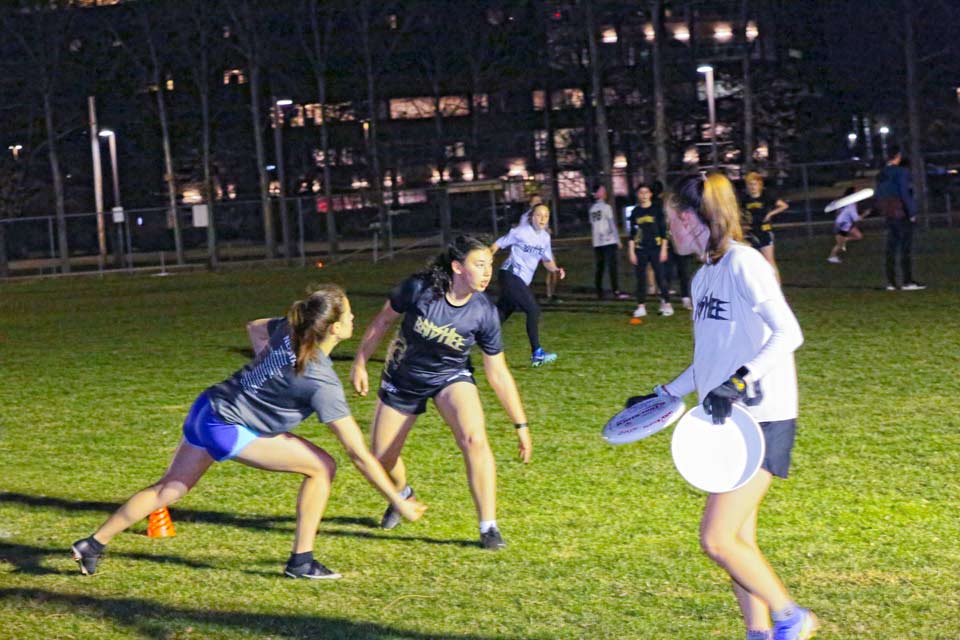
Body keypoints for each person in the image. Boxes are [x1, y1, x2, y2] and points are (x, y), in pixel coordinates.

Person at [71, 285, 427, 579]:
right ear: (334, 328)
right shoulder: (322, 381)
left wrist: (268, 374)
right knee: (323, 466)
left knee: (170, 488)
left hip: (206, 408)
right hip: (227, 427)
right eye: (348, 314)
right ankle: (301, 562)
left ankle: (92, 544)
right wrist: (398, 502)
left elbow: (255, 327)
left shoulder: (289, 331)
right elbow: (358, 454)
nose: (353, 318)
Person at [628, 173, 819, 640]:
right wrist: (664, 393)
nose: (669, 230)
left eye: (673, 220)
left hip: (764, 416)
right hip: (730, 420)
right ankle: (759, 633)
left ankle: (792, 617)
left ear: (692, 219)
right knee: (739, 541)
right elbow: (707, 363)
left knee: (716, 539)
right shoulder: (706, 274)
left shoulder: (744, 262)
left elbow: (789, 333)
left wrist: (738, 381)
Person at [350, 235, 532, 550]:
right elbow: (382, 322)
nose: (488, 272)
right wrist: (360, 363)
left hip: (451, 377)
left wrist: (521, 424)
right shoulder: (419, 289)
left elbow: (498, 373)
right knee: (381, 459)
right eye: (480, 264)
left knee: (475, 439)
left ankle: (488, 527)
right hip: (404, 378)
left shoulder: (484, 312)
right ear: (457, 267)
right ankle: (402, 494)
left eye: (490, 264)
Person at [491, 203, 566, 366]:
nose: (542, 219)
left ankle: (467, 338)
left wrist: (555, 269)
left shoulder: (545, 237)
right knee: (532, 309)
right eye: (539, 215)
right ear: (532, 217)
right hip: (510, 274)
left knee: (498, 316)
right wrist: (485, 261)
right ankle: (537, 353)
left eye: (546, 216)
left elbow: (547, 260)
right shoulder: (521, 232)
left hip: (519, 281)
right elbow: (497, 244)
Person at [875, 146, 925, 290]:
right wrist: (913, 212)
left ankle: (891, 282)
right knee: (905, 247)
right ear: (897, 156)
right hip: (901, 212)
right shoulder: (901, 172)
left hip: (888, 213)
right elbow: (904, 192)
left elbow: (879, 195)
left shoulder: (881, 173)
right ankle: (907, 281)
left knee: (891, 247)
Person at [626, 184, 672, 318]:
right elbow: (632, 234)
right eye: (641, 192)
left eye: (646, 192)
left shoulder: (657, 210)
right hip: (640, 249)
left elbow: (664, 232)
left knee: (660, 276)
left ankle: (667, 304)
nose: (644, 195)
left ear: (651, 194)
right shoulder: (635, 212)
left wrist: (664, 249)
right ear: (637, 195)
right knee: (640, 278)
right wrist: (631, 251)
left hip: (656, 248)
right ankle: (641, 306)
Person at [742, 172, 789, 282]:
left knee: (769, 261)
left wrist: (770, 214)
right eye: (750, 184)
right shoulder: (745, 198)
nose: (752, 187)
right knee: (752, 261)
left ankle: (777, 289)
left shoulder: (766, 196)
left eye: (754, 184)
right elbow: (741, 212)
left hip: (764, 231)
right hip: (751, 232)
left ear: (759, 184)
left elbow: (784, 205)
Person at [588, 183, 630, 300]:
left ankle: (599, 291)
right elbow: (612, 225)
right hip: (609, 241)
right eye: (601, 190)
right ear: (596, 194)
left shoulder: (592, 209)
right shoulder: (606, 207)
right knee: (612, 266)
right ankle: (615, 291)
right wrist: (618, 240)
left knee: (600, 266)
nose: (604, 192)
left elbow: (593, 225)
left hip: (597, 242)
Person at [827, 187, 871, 263]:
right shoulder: (851, 205)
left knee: (858, 236)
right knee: (840, 244)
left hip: (844, 223)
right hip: (843, 225)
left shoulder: (846, 201)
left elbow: (835, 208)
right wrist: (865, 214)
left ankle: (843, 241)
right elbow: (856, 219)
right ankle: (832, 257)